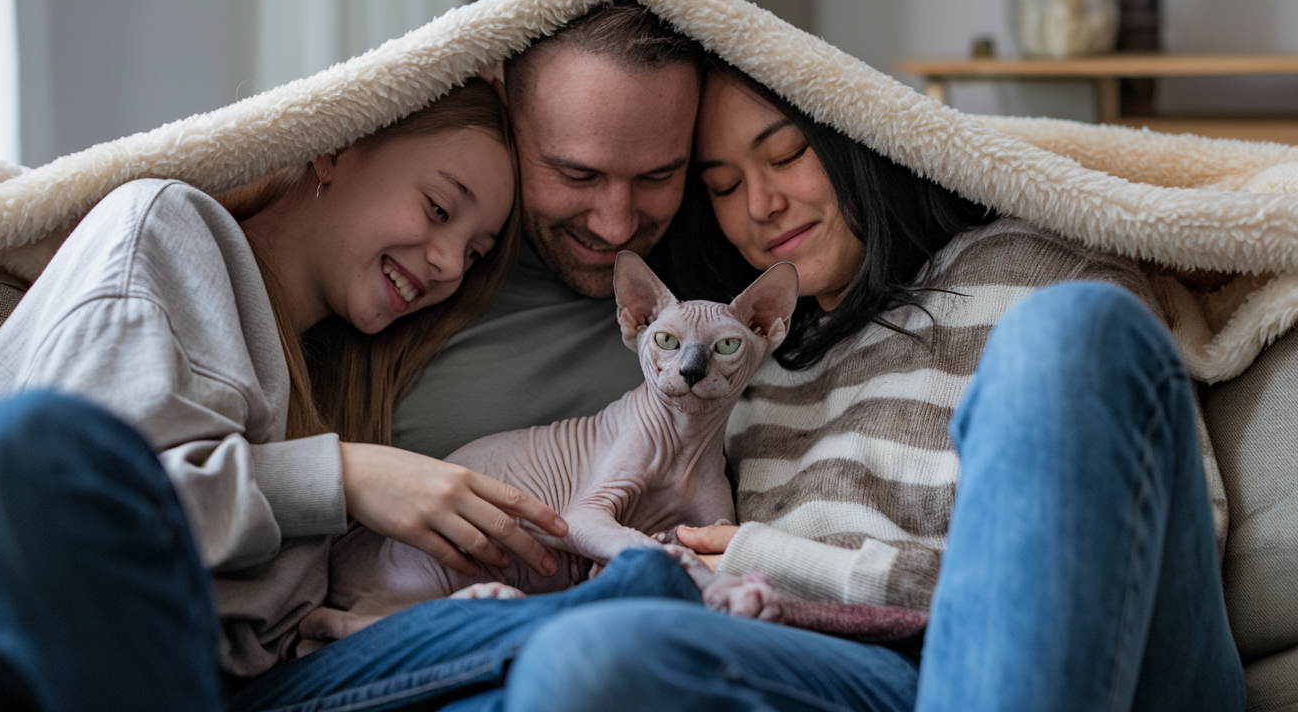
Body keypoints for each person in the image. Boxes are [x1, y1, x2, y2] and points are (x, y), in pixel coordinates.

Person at [491, 60, 1246, 710]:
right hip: (850, 673)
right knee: (584, 658)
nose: (761, 206)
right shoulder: (747, 366)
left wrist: (791, 565)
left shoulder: (1031, 267)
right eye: (722, 186)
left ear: (856, 128)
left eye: (787, 154)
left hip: (1045, 648)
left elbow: (1126, 554)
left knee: (1077, 326)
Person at [0, 79, 575, 710]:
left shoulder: (327, 378)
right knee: (31, 439)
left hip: (268, 683)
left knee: (616, 624)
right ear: (337, 149)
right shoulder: (166, 225)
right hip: (105, 647)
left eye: (475, 253)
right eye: (438, 208)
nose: (451, 266)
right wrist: (342, 474)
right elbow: (91, 504)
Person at [391, 0, 702, 458]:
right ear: (501, 103)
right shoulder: (407, 264)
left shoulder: (726, 264)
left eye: (658, 176)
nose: (616, 229)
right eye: (577, 175)